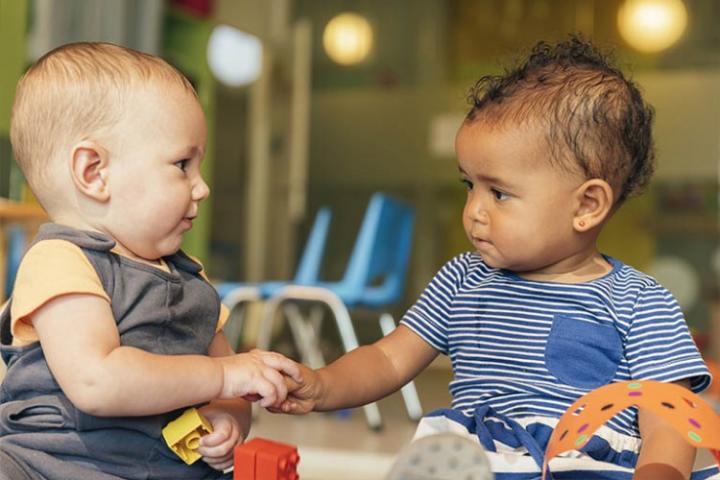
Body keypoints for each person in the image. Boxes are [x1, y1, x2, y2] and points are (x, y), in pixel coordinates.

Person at [278, 36, 716, 480]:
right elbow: (389, 360)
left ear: (586, 206)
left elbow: (668, 415)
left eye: (499, 193)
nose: (474, 211)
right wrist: (324, 385)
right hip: (477, 465)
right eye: (470, 186)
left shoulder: (640, 302)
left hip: (585, 467)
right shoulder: (462, 279)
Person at [0, 42, 302, 480]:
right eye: (182, 165)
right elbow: (97, 381)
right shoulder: (60, 262)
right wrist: (220, 377)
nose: (202, 188)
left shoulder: (190, 279)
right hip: (51, 467)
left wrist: (227, 418)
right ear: (94, 173)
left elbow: (230, 387)